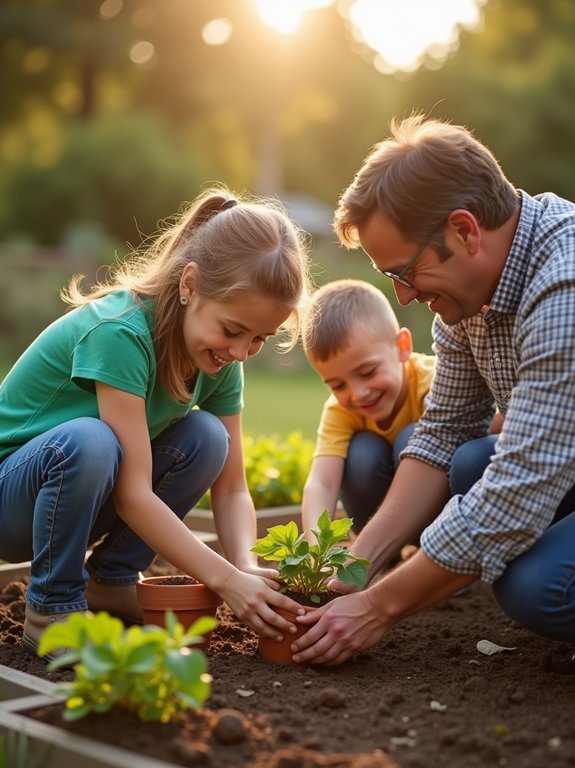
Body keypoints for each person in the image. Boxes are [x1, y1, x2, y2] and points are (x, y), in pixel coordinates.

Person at [290, 113, 575, 665]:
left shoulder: (562, 289)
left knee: (538, 587)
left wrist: (378, 607)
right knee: (469, 463)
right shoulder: (467, 298)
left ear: (464, 230)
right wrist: (356, 567)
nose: (402, 297)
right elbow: (443, 433)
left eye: (405, 272)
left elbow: (518, 494)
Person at [0, 187, 314, 655]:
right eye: (232, 330)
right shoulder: (120, 334)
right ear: (190, 285)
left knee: (208, 438)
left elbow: (232, 488)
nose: (240, 351)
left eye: (259, 339)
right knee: (91, 441)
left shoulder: (220, 360)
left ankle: (111, 582)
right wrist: (223, 580)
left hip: (75, 500)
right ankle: (53, 608)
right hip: (12, 500)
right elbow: (133, 494)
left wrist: (244, 566)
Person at [301, 278, 435, 536]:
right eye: (338, 385)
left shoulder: (434, 382)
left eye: (368, 372)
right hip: (377, 528)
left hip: (436, 518)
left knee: (412, 439)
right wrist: (315, 546)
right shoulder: (340, 410)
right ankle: (377, 550)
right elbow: (322, 483)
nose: (358, 394)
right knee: (362, 453)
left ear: (402, 347)